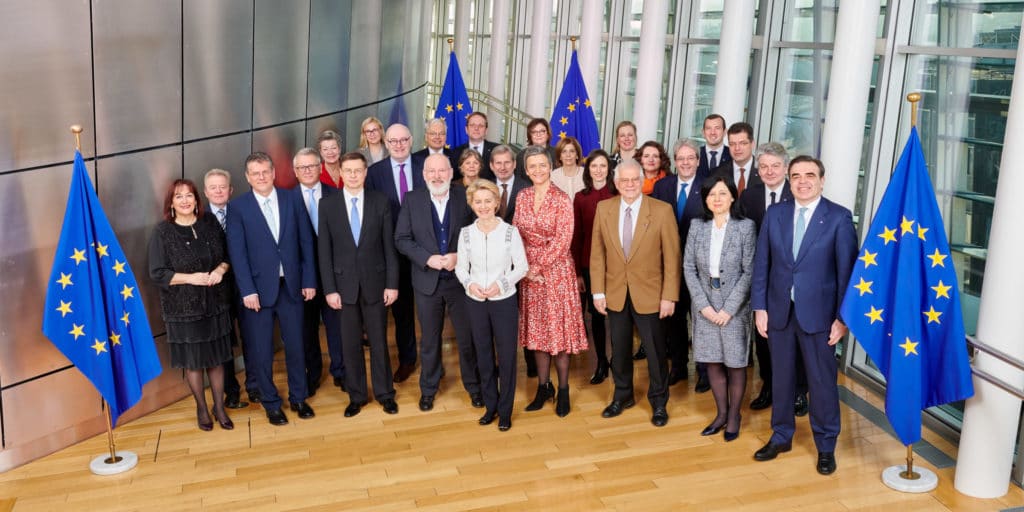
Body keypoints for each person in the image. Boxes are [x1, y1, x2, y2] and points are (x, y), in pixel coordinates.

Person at [751, 156, 857, 476]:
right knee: (781, 378)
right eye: (796, 175)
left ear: (822, 180)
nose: (802, 181)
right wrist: (760, 308)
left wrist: (842, 319)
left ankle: (826, 445)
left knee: (821, 382)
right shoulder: (776, 214)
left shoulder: (838, 218)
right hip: (779, 312)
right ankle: (781, 435)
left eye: (810, 175)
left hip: (820, 318)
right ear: (789, 179)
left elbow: (847, 274)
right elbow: (762, 264)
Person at [226, 152, 317, 426]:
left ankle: (299, 398)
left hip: (292, 286)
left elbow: (306, 242)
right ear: (247, 177)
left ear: (274, 172)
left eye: (265, 171)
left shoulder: (292, 199)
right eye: (255, 173)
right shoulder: (238, 207)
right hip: (257, 292)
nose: (261, 177)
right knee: (261, 351)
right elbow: (237, 254)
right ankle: (271, 403)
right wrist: (247, 290)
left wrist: (309, 280)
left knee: (297, 346)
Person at [590, 159, 680, 427]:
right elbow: (597, 254)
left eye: (634, 180)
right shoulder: (604, 208)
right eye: (624, 180)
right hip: (615, 291)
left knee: (654, 351)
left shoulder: (662, 211)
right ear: (616, 183)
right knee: (619, 350)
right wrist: (598, 292)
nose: (629, 184)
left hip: (651, 294)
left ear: (642, 181)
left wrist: (669, 296)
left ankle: (659, 402)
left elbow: (672, 258)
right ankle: (623, 395)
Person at [395, 154, 481, 411]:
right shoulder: (412, 200)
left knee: (467, 339)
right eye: (431, 171)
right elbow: (401, 238)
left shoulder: (464, 196)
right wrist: (427, 259)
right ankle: (428, 390)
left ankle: (474, 387)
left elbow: (479, 233)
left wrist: (459, 256)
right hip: (426, 282)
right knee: (430, 341)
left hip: (460, 282)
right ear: (423, 175)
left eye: (442, 171)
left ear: (451, 172)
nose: (436, 176)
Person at [318, 152, 401, 417]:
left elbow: (389, 247)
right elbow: (324, 252)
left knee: (379, 342)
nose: (353, 175)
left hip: (376, 283)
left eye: (358, 170)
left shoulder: (380, 201)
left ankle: (385, 394)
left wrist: (392, 284)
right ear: (341, 173)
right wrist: (330, 289)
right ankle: (357, 396)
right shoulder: (327, 205)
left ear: (365, 173)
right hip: (343, 287)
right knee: (350, 344)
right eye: (348, 171)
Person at [149, 179, 235, 431]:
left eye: (189, 196)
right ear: (171, 203)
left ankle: (219, 407)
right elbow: (157, 273)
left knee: (217, 359)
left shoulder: (210, 222)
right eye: (179, 196)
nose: (185, 200)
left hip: (215, 303)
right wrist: (191, 278)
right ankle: (202, 408)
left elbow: (227, 255)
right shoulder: (163, 232)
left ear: (197, 200)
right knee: (194, 362)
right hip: (183, 309)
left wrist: (220, 270)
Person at [514, 145, 589, 417]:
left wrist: (537, 266)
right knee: (537, 332)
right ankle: (544, 387)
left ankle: (564, 390)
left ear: (550, 167)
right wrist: (524, 267)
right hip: (529, 274)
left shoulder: (561, 198)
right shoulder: (522, 196)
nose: (537, 170)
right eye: (532, 166)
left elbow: (563, 240)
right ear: (526, 170)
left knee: (557, 332)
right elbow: (516, 233)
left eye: (542, 165)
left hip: (556, 273)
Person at [683, 175, 756, 441]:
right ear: (705, 199)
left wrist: (728, 309)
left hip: (734, 307)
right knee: (712, 362)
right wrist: (703, 306)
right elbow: (688, 267)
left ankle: (734, 416)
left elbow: (749, 272)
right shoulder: (697, 226)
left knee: (735, 363)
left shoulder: (746, 227)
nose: (717, 199)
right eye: (711, 194)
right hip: (705, 304)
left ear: (733, 196)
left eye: (722, 193)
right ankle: (721, 414)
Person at [739, 142, 808, 414]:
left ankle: (799, 392)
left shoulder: (799, 194)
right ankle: (768, 386)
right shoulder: (749, 197)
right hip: (762, 279)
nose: (769, 171)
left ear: (786, 168)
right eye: (764, 166)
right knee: (764, 338)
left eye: (775, 166)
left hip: (794, 281)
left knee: (798, 339)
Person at [456, 180, 529, 431]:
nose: (483, 206)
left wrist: (501, 284)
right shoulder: (466, 233)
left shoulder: (510, 232)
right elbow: (460, 268)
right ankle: (491, 406)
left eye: (488, 201)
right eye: (478, 201)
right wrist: (470, 284)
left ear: (497, 203)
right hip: (476, 301)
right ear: (471, 204)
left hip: (503, 301)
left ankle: (505, 411)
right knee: (483, 355)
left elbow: (521, 267)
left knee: (507, 357)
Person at [367, 123, 425, 383]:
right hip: (390, 253)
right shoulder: (374, 173)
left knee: (428, 310)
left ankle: (432, 361)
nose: (399, 145)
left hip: (423, 251)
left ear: (411, 140)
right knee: (401, 311)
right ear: (386, 143)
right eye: (393, 141)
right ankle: (407, 359)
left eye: (403, 140)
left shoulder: (425, 166)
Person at [651, 139, 708, 390]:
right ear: (675, 161)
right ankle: (679, 367)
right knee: (673, 319)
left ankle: (704, 371)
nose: (685, 162)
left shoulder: (709, 186)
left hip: (699, 267)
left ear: (698, 160)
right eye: (681, 158)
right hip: (669, 266)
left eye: (690, 158)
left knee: (701, 320)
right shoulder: (662, 186)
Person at [292, 148, 346, 394]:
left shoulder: (337, 195)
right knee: (307, 329)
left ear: (320, 167)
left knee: (338, 327)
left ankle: (341, 371)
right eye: (302, 167)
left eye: (312, 166)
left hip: (334, 275)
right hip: (303, 278)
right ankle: (313, 374)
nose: (307, 171)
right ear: (295, 171)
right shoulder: (286, 199)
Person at [202, 169, 251, 408]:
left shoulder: (243, 212)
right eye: (213, 187)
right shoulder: (199, 219)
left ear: (230, 190)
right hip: (216, 290)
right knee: (224, 342)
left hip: (245, 285)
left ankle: (255, 385)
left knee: (251, 337)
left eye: (223, 187)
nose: (218, 191)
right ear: (205, 192)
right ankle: (231, 391)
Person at [571, 150, 617, 385]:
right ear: (588, 170)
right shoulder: (581, 197)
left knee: (618, 315)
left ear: (609, 169)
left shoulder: (618, 194)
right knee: (597, 316)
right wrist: (578, 272)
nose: (598, 170)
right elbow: (577, 236)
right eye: (594, 166)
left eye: (602, 166)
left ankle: (618, 360)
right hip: (590, 264)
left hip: (617, 265)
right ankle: (601, 362)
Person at [491, 144, 534, 377]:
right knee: (499, 316)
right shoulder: (485, 188)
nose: (503, 167)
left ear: (515, 164)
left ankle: (531, 363)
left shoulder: (527, 188)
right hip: (494, 263)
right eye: (498, 163)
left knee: (526, 313)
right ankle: (500, 363)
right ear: (491, 166)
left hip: (523, 260)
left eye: (507, 162)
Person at [711, 122, 761, 196]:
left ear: (752, 144)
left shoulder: (764, 172)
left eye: (742, 143)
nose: (737, 148)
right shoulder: (717, 173)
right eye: (732, 144)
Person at [454, 112, 500, 180]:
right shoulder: (456, 152)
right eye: (472, 125)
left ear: (486, 130)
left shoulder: (497, 150)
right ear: (466, 129)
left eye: (480, 126)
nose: (476, 128)